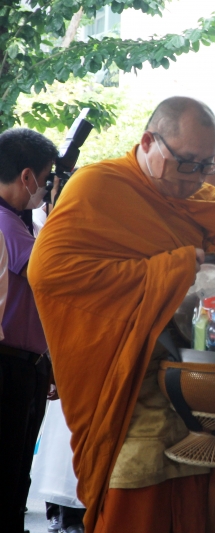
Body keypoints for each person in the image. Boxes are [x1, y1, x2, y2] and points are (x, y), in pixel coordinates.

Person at [28, 96, 215, 533]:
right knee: (137, 507)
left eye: (207, 165)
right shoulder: (99, 188)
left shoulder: (208, 206)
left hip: (207, 399)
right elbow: (51, 274)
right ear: (149, 142)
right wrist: (176, 269)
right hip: (134, 395)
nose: (197, 178)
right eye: (187, 164)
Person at [0, 128, 56, 533]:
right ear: (27, 177)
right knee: (9, 473)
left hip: (26, 365)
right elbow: (49, 271)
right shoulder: (6, 223)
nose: (46, 188)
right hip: (9, 367)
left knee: (18, 473)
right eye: (46, 177)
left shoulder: (16, 222)